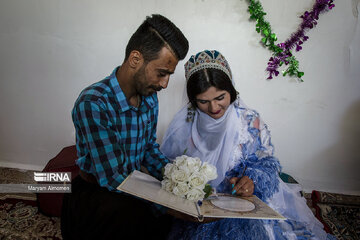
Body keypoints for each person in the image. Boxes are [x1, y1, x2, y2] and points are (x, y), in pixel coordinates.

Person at [160, 50, 336, 240]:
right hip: (200, 207)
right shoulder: (184, 124)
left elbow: (267, 162)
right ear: (194, 101)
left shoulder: (248, 122)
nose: (213, 108)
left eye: (220, 98)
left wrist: (251, 180)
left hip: (239, 204)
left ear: (232, 91)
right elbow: (168, 165)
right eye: (203, 101)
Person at [61, 14, 188, 240]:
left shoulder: (149, 97)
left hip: (133, 186)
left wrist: (177, 180)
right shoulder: (93, 103)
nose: (165, 84)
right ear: (135, 59)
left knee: (166, 221)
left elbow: (148, 148)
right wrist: (166, 206)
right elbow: (113, 178)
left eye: (169, 75)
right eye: (161, 73)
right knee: (132, 218)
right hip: (99, 195)